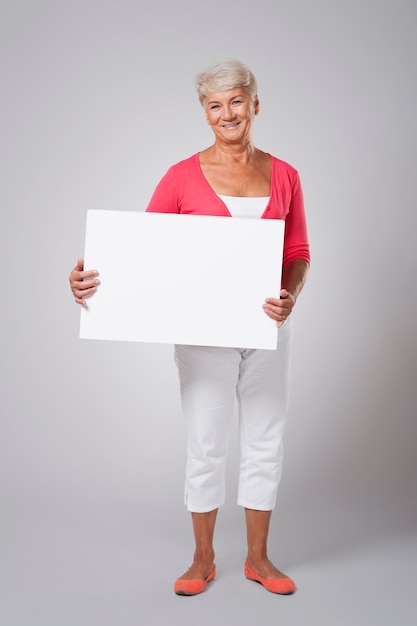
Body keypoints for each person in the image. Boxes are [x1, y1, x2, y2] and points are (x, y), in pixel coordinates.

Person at [69, 58, 309, 596]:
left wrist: (291, 294)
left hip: (269, 329)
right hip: (204, 335)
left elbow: (298, 250)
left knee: (266, 439)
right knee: (207, 442)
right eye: (215, 105)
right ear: (205, 113)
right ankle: (202, 558)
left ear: (255, 104)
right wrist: (86, 278)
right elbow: (137, 250)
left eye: (236, 101)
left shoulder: (286, 175)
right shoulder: (181, 176)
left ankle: (258, 558)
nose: (227, 113)